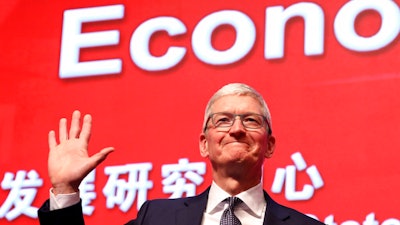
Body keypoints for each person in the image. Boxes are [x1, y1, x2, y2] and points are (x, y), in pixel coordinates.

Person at [38, 83, 325, 225]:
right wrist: (65, 190)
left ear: (270, 145)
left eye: (251, 121)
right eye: (223, 120)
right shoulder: (156, 217)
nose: (237, 129)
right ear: (204, 144)